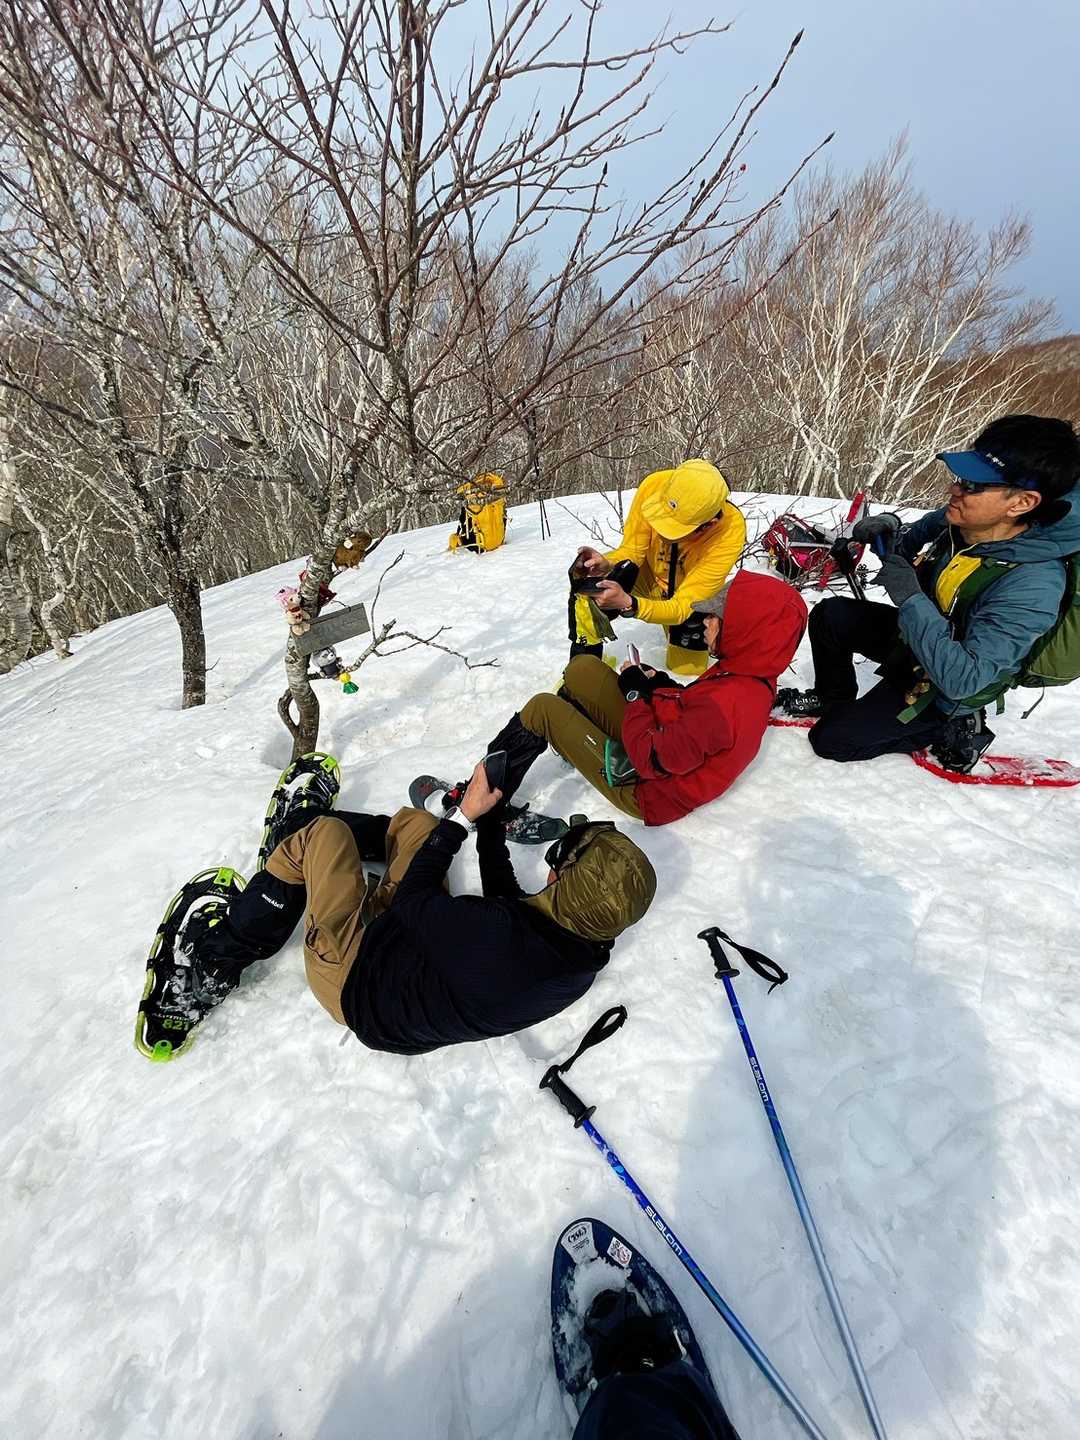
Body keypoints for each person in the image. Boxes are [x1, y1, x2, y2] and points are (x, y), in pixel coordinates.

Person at [147, 764, 656, 1057]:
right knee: (418, 826)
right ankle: (329, 852)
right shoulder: (580, 950)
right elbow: (505, 901)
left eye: (560, 860)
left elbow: (417, 900)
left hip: (352, 981)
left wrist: (461, 820)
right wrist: (488, 822)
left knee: (325, 835)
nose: (552, 865)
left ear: (566, 882)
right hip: (407, 949)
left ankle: (220, 957)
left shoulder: (496, 939)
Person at [777, 414, 1080, 769]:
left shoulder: (1032, 585)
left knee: (832, 740)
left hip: (950, 683)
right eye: (961, 478)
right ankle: (832, 697)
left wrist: (910, 598)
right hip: (919, 641)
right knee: (832, 615)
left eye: (973, 485)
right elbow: (910, 540)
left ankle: (955, 726)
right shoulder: (964, 521)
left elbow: (964, 678)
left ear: (1022, 503)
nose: (955, 490)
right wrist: (888, 526)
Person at [481, 569, 807, 826]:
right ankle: (572, 740)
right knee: (583, 669)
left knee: (542, 709)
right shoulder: (748, 672)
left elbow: (652, 760)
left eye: (716, 617)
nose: (705, 622)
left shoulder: (729, 702)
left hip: (646, 787)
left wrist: (637, 695)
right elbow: (692, 713)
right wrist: (659, 685)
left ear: (746, 630)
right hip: (660, 740)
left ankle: (484, 799)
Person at [569, 459, 747, 677]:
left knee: (686, 671)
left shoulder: (730, 531)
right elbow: (633, 551)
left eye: (674, 528)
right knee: (590, 585)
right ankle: (585, 662)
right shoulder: (655, 486)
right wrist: (608, 562)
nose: (661, 531)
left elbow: (683, 606)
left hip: (687, 597)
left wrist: (631, 605)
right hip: (648, 578)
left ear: (708, 525)